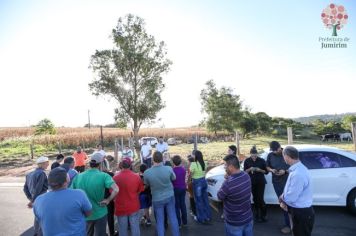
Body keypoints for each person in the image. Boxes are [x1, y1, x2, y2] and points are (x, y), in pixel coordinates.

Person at [33, 167, 92, 236]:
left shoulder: (39, 200)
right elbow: (88, 213)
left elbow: (39, 219)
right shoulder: (79, 194)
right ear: (67, 180)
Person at [71, 152, 119, 236]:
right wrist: (108, 200)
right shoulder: (104, 176)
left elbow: (71, 194)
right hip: (100, 212)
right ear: (100, 164)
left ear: (90, 164)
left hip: (85, 213)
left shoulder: (78, 176)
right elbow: (116, 189)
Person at [279, 146, 315, 236]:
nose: (284, 158)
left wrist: (281, 198)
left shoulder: (298, 174)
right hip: (301, 212)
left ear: (287, 156)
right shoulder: (299, 169)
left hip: (301, 213)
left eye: (283, 156)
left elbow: (291, 197)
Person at [143, 151, 180, 236]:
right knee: (173, 217)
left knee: (160, 220)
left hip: (157, 198)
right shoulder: (168, 168)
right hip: (169, 196)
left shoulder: (147, 172)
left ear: (153, 160)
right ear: (162, 159)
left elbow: (146, 183)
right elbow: (174, 178)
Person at [218, 154, 253, 236]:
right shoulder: (246, 175)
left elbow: (220, 196)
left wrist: (227, 179)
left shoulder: (228, 183)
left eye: (225, 165)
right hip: (248, 218)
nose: (224, 168)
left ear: (231, 166)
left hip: (234, 223)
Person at [113, 158, 144, 236]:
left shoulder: (115, 178)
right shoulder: (136, 177)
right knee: (135, 227)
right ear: (130, 165)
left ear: (121, 166)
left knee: (122, 229)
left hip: (121, 206)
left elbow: (112, 192)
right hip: (133, 205)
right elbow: (140, 190)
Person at [266, 141, 291, 234]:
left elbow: (295, 167)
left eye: (275, 150)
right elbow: (267, 166)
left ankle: (292, 225)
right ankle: (288, 225)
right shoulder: (270, 155)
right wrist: (272, 170)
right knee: (283, 203)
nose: (274, 152)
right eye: (272, 150)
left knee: (290, 203)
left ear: (280, 147)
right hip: (277, 183)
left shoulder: (287, 153)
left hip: (289, 183)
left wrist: (285, 171)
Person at [23, 156, 49, 236]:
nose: (48, 164)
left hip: (35, 199)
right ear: (42, 164)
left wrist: (30, 198)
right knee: (43, 217)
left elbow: (25, 188)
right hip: (42, 198)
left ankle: (36, 233)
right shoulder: (42, 173)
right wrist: (32, 200)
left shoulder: (29, 174)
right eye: (47, 162)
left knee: (37, 216)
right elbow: (39, 188)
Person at [244, 146, 268, 223]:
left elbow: (266, 172)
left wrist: (260, 170)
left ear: (257, 154)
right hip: (251, 182)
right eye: (252, 156)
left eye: (255, 155)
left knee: (260, 198)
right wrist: (249, 169)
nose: (254, 157)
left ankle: (264, 215)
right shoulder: (247, 161)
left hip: (260, 182)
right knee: (255, 199)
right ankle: (257, 214)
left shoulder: (262, 160)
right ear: (250, 154)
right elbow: (244, 172)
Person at [189, 150, 211, 224]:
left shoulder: (193, 164)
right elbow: (205, 171)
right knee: (205, 200)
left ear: (195, 156)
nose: (191, 156)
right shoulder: (204, 162)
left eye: (192, 155)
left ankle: (201, 218)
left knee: (199, 201)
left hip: (197, 183)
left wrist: (189, 180)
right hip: (204, 181)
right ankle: (208, 216)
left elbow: (190, 174)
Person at [101, 159, 117, 236]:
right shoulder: (110, 174)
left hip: (98, 198)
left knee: (101, 218)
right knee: (110, 217)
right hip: (108, 198)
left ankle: (104, 233)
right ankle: (112, 232)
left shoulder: (97, 175)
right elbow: (116, 187)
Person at [172, 155, 188, 227]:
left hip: (175, 189)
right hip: (183, 188)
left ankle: (178, 223)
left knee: (176, 206)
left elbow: (172, 180)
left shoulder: (172, 170)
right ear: (180, 162)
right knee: (183, 205)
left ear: (173, 162)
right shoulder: (183, 169)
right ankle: (185, 222)